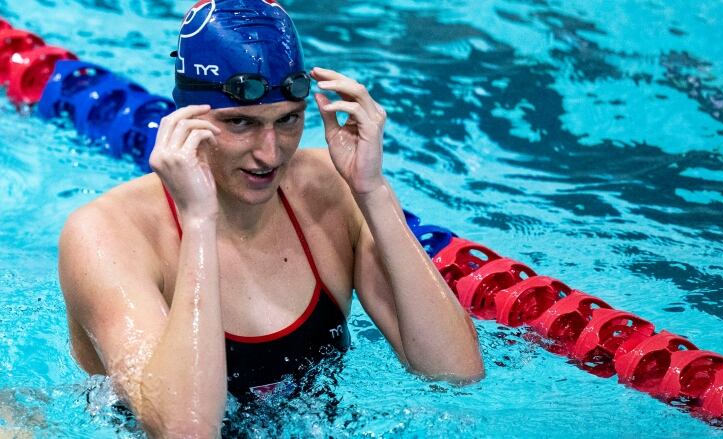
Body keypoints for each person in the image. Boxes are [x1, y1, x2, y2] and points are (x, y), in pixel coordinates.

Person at [58, 0, 484, 436]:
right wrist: (201, 222)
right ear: (185, 118)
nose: (270, 153)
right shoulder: (106, 233)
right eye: (240, 123)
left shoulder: (328, 192)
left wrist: (372, 192)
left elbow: (454, 374)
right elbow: (184, 430)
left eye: (288, 120)